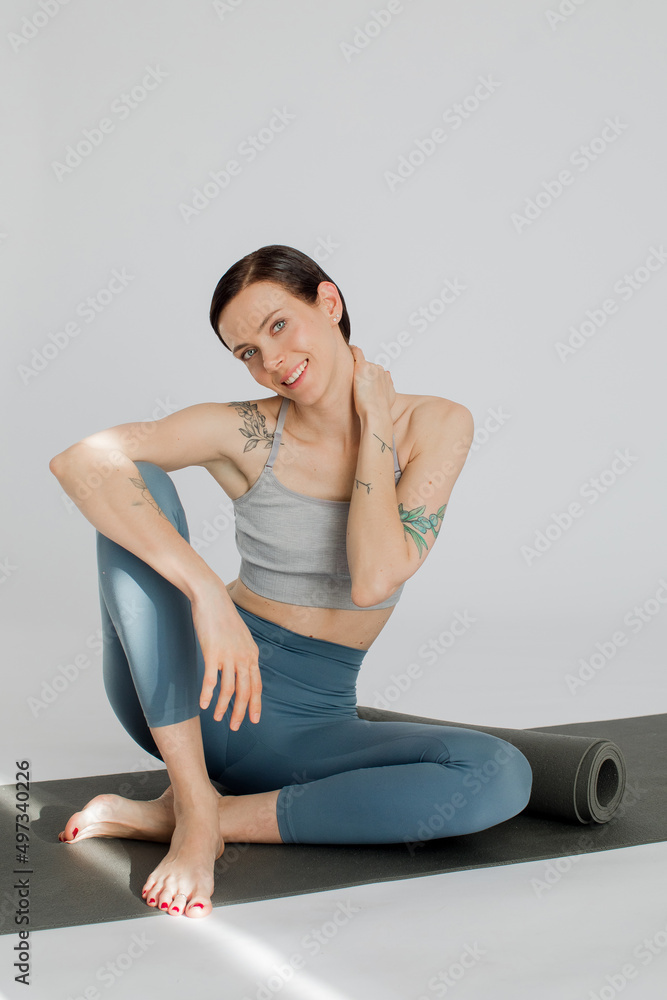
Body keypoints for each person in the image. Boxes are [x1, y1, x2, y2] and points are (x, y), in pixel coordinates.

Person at [50, 244, 532, 919]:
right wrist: (208, 595)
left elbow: (373, 577)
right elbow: (79, 461)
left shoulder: (434, 423)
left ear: (327, 303)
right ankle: (191, 806)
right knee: (136, 485)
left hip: (306, 728)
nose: (269, 360)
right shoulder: (244, 430)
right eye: (245, 351)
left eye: (277, 325)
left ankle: (211, 816)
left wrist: (372, 429)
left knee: (498, 774)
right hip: (192, 677)